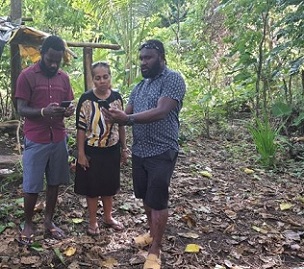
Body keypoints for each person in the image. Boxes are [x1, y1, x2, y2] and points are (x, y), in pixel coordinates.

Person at [103, 40, 186, 269]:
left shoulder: (173, 79)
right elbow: (126, 113)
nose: (143, 62)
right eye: (141, 58)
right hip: (140, 151)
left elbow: (161, 111)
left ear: (161, 57)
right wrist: (111, 114)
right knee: (145, 198)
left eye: (148, 57)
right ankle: (151, 234)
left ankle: (156, 249)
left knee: (158, 200)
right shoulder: (139, 87)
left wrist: (126, 119)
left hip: (162, 150)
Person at [15, 35, 75, 245]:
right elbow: (20, 108)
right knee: (32, 185)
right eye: (49, 59)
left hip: (58, 136)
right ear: (42, 53)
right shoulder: (27, 76)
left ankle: (48, 221)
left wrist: (68, 110)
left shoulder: (63, 78)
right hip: (36, 137)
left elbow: (70, 102)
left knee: (54, 182)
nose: (53, 64)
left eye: (57, 60)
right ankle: (28, 223)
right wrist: (42, 111)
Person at [74, 61, 128, 236]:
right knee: (92, 188)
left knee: (109, 187)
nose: (102, 81)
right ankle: (92, 221)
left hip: (111, 150)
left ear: (110, 77)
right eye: (98, 78)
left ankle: (108, 217)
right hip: (92, 151)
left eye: (105, 77)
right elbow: (81, 128)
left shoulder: (117, 98)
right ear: (93, 80)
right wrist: (81, 154)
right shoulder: (86, 99)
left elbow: (122, 126)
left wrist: (124, 148)